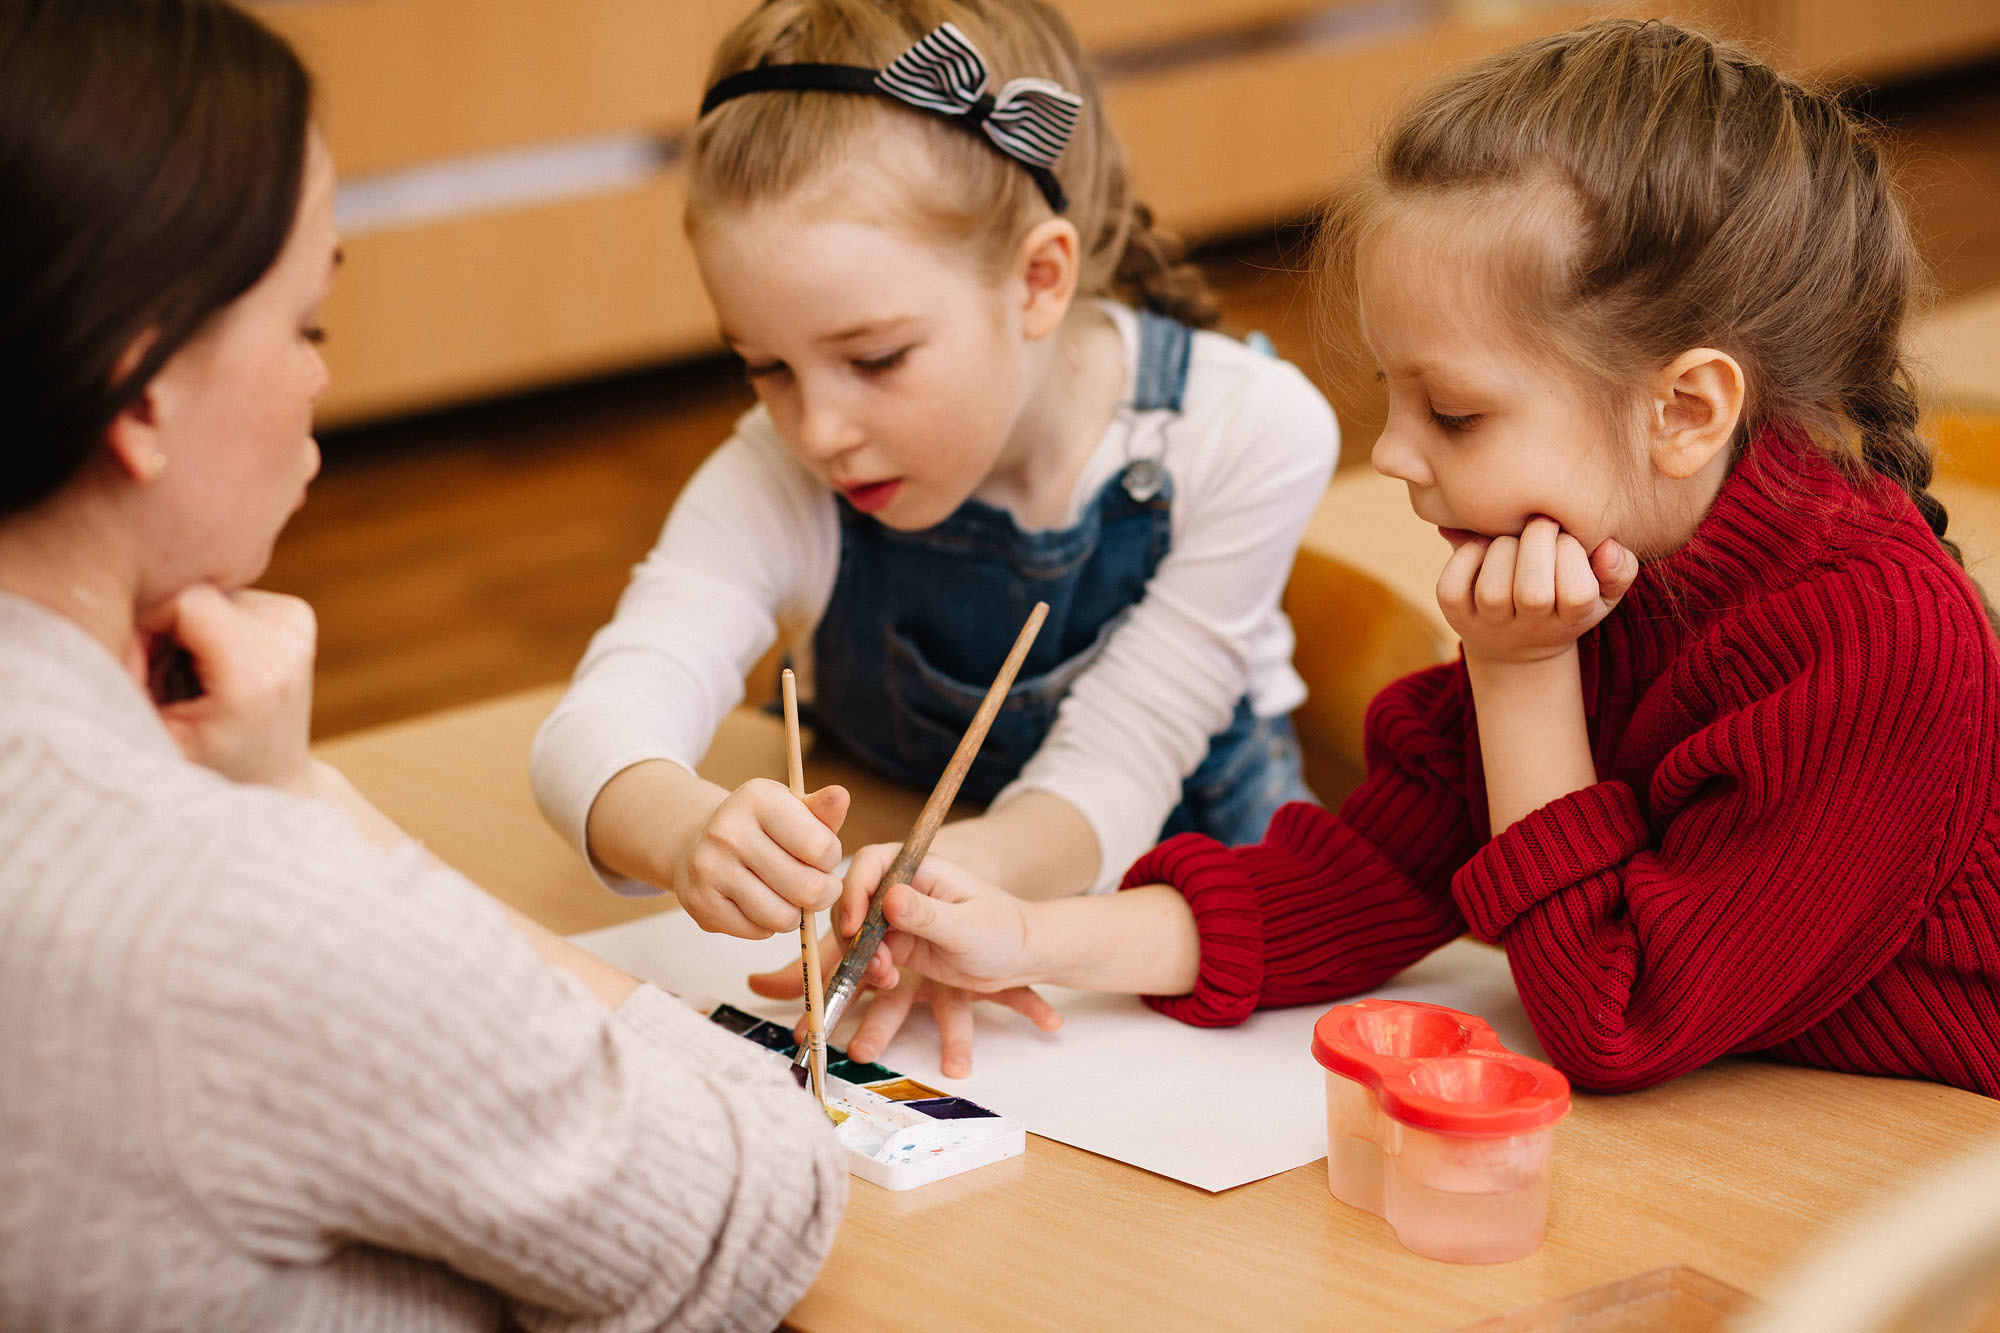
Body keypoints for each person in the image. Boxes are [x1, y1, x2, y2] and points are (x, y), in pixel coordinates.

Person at [832, 18, 2000, 1098]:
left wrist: (1520, 678)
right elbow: (1364, 878)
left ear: (1684, 410)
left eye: (1452, 413)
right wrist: (1026, 937)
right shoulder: (1595, 562)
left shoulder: (1873, 637)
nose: (1391, 454)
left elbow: (1611, 1013)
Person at [0, 2, 844, 1326]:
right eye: (308, 323)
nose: (319, 380)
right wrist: (313, 812)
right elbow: (762, 1198)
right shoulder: (235, 913)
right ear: (143, 394)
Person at [528, 0, 1337, 1074]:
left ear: (1037, 280)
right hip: (946, 927)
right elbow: (590, 729)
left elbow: (1116, 770)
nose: (818, 430)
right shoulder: (777, 471)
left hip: (1191, 945)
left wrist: (937, 892)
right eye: (765, 366)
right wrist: (680, 828)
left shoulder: (1251, 431)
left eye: (874, 359)